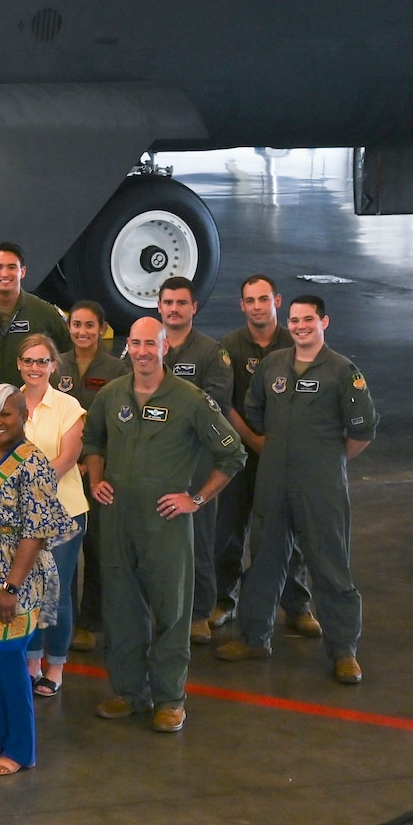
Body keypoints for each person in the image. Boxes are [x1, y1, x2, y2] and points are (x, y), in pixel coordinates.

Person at [83, 317, 245, 733]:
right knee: (120, 608)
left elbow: (232, 454)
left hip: (165, 521)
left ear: (164, 348)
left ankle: (171, 698)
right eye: (134, 343)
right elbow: (94, 440)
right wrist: (97, 478)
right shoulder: (112, 394)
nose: (141, 351)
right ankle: (127, 691)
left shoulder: (190, 399)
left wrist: (195, 498)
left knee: (171, 611)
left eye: (148, 344)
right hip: (117, 517)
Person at [218, 296, 376, 683]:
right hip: (273, 479)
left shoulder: (342, 371)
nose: (301, 326)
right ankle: (255, 637)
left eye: (309, 319)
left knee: (329, 565)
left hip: (320, 484)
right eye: (295, 320)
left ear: (324, 321)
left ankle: (344, 651)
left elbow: (361, 431)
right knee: (265, 559)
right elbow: (255, 412)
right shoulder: (273, 365)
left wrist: (329, 461)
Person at [0, 386, 69, 776]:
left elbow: (35, 532)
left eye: (5, 414)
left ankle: (21, 750)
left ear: (24, 415)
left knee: (8, 660)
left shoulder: (33, 463)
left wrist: (11, 586)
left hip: (12, 576)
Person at [215, 276, 314, 636]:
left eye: (263, 299)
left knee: (289, 531)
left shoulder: (296, 342)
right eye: (249, 300)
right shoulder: (229, 347)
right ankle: (223, 601)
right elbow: (224, 404)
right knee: (227, 531)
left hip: (287, 457)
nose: (257, 306)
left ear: (277, 301)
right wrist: (256, 442)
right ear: (241, 305)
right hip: (241, 456)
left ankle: (297, 605)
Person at [155, 275, 235, 645]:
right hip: (155, 457)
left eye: (181, 303)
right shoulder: (145, 346)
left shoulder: (211, 352)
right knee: (156, 535)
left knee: (198, 534)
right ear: (159, 307)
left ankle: (200, 612)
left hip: (197, 457)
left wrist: (166, 407)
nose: (174, 309)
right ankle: (160, 608)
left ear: (193, 308)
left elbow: (214, 403)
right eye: (168, 303)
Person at [16, 334, 88, 697]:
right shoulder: (8, 403)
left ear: (53, 365)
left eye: (42, 361)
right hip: (18, 517)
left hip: (63, 513)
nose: (35, 367)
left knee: (55, 593)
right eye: (28, 361)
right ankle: (32, 660)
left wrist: (29, 486)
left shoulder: (68, 406)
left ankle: (56, 664)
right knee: (26, 590)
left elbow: (68, 457)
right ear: (19, 365)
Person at [57, 299, 130, 653]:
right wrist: (70, 462)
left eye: (89, 325)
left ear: (102, 329)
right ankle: (64, 617)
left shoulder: (117, 370)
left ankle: (91, 621)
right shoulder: (57, 367)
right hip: (64, 472)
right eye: (76, 325)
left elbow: (119, 424)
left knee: (98, 547)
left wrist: (92, 462)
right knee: (64, 546)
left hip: (101, 472)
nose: (82, 332)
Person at [0, 241, 70, 396]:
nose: (4, 273)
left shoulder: (45, 313)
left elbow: (66, 358)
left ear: (22, 272)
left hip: (30, 406)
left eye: (11, 267)